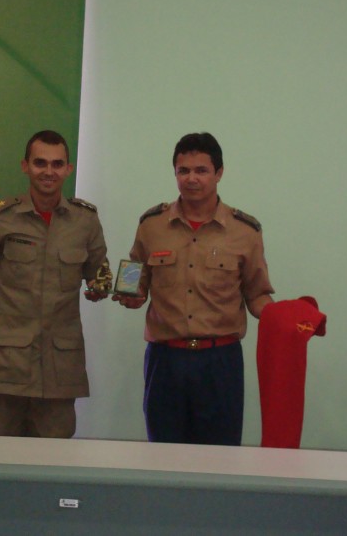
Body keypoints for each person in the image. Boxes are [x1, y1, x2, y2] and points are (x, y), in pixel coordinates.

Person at [113, 132, 274, 445]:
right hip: (165, 360)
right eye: (183, 171)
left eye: (201, 170)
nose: (191, 179)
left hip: (220, 361)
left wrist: (283, 319)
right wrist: (126, 294)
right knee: (163, 455)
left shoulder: (245, 231)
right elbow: (133, 280)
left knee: (220, 458)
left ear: (219, 173)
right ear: (175, 173)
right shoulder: (151, 225)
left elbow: (257, 295)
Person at [0, 129, 108, 438]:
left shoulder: (86, 221)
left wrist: (100, 289)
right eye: (40, 163)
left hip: (60, 372)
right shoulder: (0, 217)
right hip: (5, 369)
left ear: (68, 169)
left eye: (57, 164)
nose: (48, 171)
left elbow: (99, 274)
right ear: (25, 166)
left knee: (53, 464)